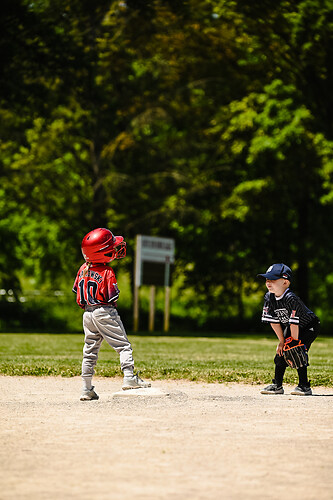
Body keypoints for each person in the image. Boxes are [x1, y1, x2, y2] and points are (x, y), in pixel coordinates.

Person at [73, 227, 151, 401]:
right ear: (102, 252)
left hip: (87, 314)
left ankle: (86, 388)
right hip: (104, 311)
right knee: (123, 345)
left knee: (90, 350)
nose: (115, 249)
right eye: (111, 247)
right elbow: (112, 296)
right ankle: (129, 377)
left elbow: (78, 297)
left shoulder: (82, 269)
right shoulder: (107, 271)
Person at [257, 263, 320, 396]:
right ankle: (277, 385)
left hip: (309, 326)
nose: (268, 282)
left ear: (285, 282)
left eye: (273, 279)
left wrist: (294, 343)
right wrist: (281, 341)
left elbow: (294, 323)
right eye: (267, 279)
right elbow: (273, 321)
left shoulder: (291, 298)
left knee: (296, 351)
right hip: (290, 326)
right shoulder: (269, 297)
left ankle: (304, 386)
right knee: (282, 351)